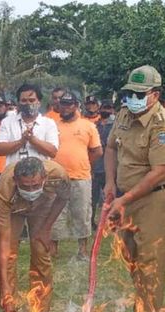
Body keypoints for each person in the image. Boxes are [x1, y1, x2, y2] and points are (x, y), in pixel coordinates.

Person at [105, 65, 165, 312]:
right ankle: (140, 307)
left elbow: (159, 171)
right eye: (130, 93)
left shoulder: (164, 124)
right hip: (126, 195)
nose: (133, 98)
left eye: (140, 94)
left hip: (157, 196)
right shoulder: (124, 115)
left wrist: (123, 198)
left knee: (149, 257)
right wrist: (110, 183)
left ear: (156, 94)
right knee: (131, 255)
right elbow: (111, 148)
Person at [0, 157, 69, 312]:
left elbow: (63, 198)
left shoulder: (59, 175)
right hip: (14, 208)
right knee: (10, 255)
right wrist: (5, 285)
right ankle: (9, 308)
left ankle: (41, 310)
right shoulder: (3, 191)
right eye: (26, 187)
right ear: (16, 180)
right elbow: (4, 244)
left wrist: (46, 228)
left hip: (43, 206)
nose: (31, 190)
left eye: (35, 185)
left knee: (41, 251)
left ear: (44, 178)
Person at [51, 92, 103, 259]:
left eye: (68, 104)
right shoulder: (53, 125)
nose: (65, 108)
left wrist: (84, 162)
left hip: (80, 177)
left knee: (82, 213)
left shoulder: (88, 126)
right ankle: (53, 250)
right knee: (55, 214)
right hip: (56, 177)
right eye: (62, 104)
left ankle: (82, 250)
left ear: (75, 106)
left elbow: (97, 151)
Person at [0, 83, 59, 166]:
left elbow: (53, 152)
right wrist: (21, 142)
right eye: (24, 101)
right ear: (18, 103)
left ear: (39, 102)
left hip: (40, 175)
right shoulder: (7, 122)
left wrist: (33, 140)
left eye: (32, 100)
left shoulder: (49, 123)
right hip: (13, 175)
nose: (28, 103)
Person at [91, 100, 115, 228]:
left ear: (112, 109)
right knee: (93, 198)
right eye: (104, 108)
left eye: (108, 108)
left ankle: (111, 221)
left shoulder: (116, 125)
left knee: (110, 196)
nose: (106, 111)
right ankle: (91, 222)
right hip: (96, 165)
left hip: (110, 166)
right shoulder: (96, 125)